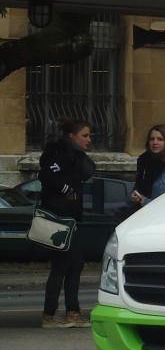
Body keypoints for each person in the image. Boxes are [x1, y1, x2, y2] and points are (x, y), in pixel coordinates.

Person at [39, 117, 94, 329]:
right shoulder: (62, 155)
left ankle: (72, 312)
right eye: (85, 135)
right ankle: (50, 315)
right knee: (62, 265)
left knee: (75, 264)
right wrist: (66, 190)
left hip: (69, 219)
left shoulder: (73, 155)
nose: (88, 140)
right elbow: (45, 175)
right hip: (58, 219)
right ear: (72, 136)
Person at [125, 124, 165, 214]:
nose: (155, 142)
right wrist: (134, 196)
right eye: (152, 139)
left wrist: (146, 202)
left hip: (162, 219)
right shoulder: (144, 162)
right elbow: (137, 188)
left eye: (160, 139)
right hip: (140, 217)